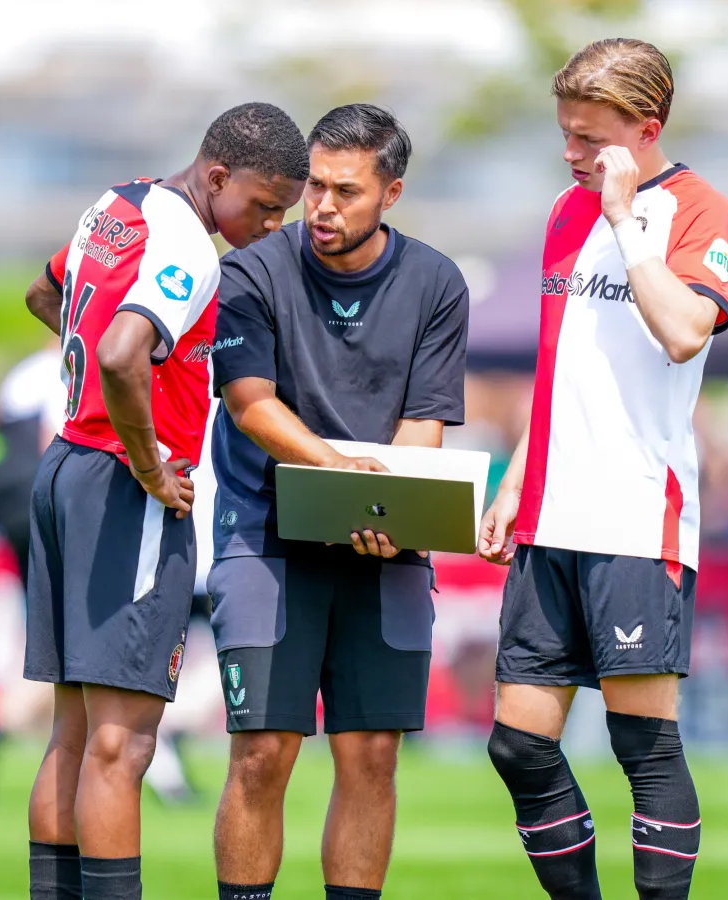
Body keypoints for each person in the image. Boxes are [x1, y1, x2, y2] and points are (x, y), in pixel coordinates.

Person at [18, 102, 308, 900]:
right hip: (123, 484)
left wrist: (99, 384)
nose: (273, 222)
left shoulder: (119, 203)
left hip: (66, 470)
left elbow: (48, 296)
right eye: (263, 204)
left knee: (73, 735)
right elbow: (120, 353)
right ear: (217, 177)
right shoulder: (189, 244)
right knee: (124, 746)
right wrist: (150, 465)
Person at [476, 39, 728, 900]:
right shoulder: (564, 211)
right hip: (550, 515)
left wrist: (627, 218)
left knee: (642, 747)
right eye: (565, 134)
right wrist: (517, 477)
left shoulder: (701, 212)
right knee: (517, 744)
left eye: (588, 139)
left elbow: (682, 334)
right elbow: (565, 365)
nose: (572, 154)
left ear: (646, 129)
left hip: (637, 519)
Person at [207, 104, 469, 900]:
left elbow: (425, 421)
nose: (322, 206)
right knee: (262, 753)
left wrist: (385, 515)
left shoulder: (436, 281)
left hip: (384, 547)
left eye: (345, 191)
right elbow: (251, 403)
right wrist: (352, 485)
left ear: (392, 192)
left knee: (373, 756)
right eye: (315, 186)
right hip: (265, 537)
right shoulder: (251, 268)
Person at [0, 340, 199, 806]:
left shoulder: (25, 371)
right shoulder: (66, 368)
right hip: (79, 515)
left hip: (30, 517)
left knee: (68, 648)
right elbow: (60, 443)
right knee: (91, 648)